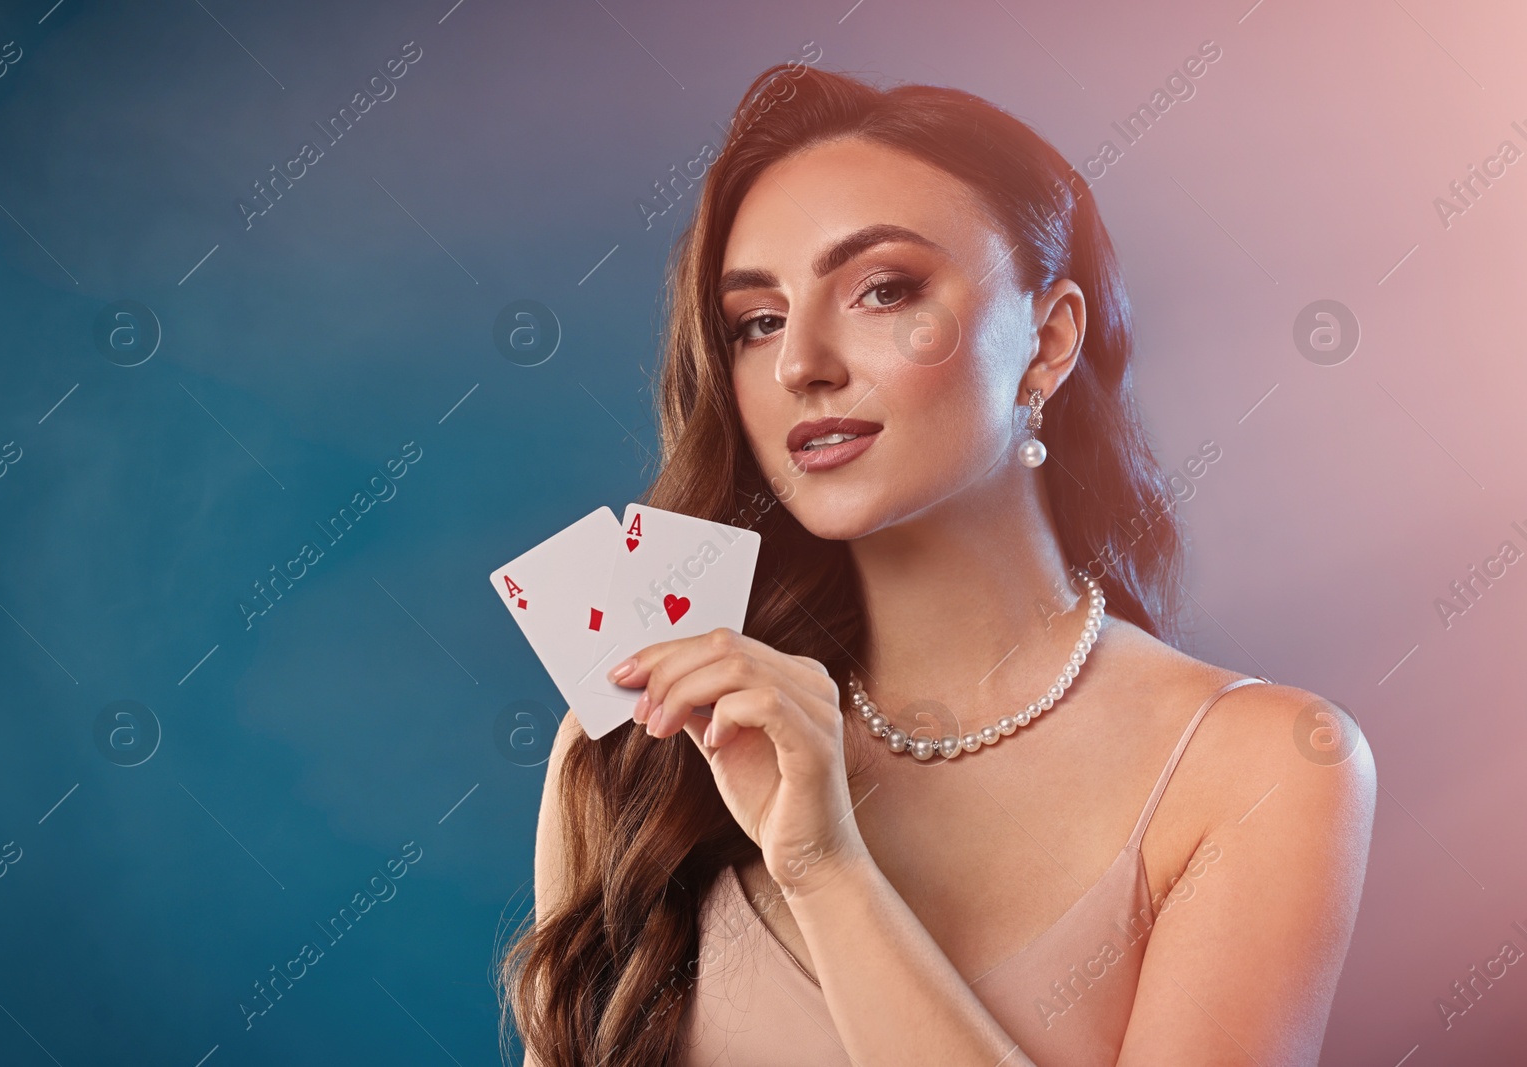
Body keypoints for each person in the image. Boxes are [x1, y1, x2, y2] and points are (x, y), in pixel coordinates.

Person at [503, 61, 1375, 1066]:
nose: (800, 364)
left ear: (1047, 343)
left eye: (883, 290)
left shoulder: (1264, 764)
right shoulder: (640, 740)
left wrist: (826, 867)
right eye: (758, 320)